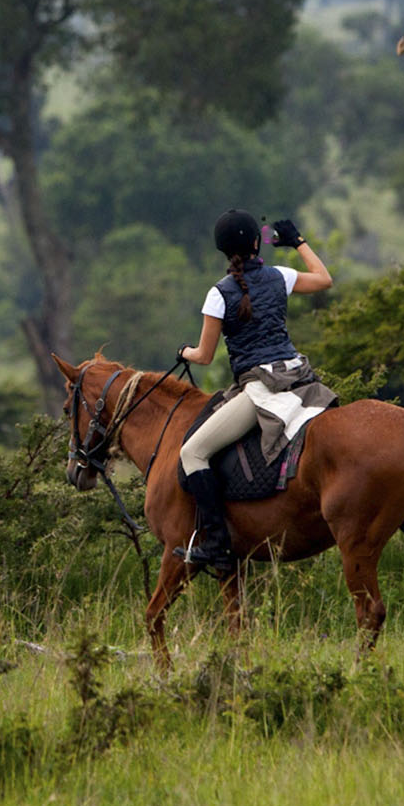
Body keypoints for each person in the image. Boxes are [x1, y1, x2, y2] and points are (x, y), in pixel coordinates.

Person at [172, 209, 334, 576]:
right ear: (257, 243)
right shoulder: (280, 275)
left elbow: (205, 355)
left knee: (192, 452)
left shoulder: (219, 294)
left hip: (263, 388)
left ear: (222, 251)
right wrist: (298, 243)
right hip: (300, 377)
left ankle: (216, 543)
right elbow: (325, 279)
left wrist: (184, 353)